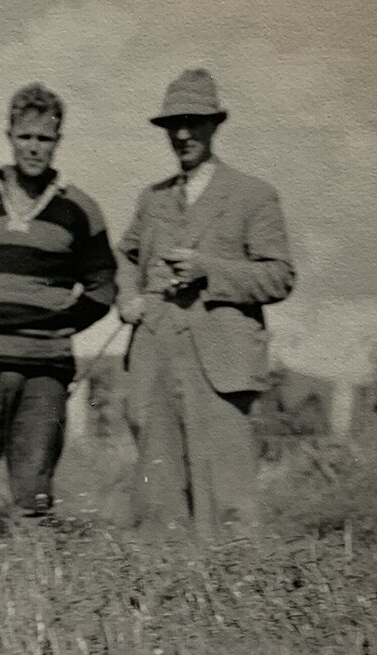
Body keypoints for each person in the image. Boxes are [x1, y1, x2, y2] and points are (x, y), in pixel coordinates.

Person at [0, 82, 117, 536]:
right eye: (25, 136)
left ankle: (33, 569)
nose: (34, 147)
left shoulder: (80, 210)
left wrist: (55, 323)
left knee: (34, 488)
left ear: (58, 140)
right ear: (9, 136)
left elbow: (103, 287)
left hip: (45, 366)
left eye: (44, 138)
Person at [116, 68, 296, 537]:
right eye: (173, 125)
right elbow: (125, 256)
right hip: (155, 355)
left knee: (228, 496)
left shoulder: (253, 195)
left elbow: (279, 276)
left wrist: (208, 270)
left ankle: (235, 582)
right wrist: (129, 297)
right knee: (159, 494)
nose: (182, 135)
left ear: (215, 124)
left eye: (193, 122)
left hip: (221, 363)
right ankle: (165, 580)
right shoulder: (152, 199)